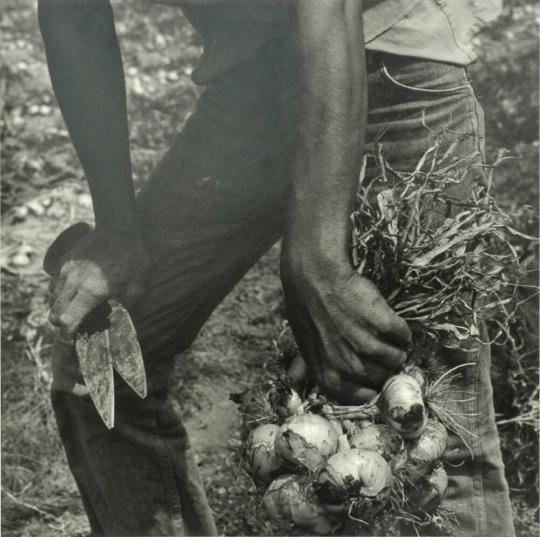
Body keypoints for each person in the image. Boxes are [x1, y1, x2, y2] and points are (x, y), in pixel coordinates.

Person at [38, 0, 514, 535]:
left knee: (436, 431)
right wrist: (116, 230)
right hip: (254, 79)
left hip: (392, 57)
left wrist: (316, 261)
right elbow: (72, 13)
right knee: (99, 350)